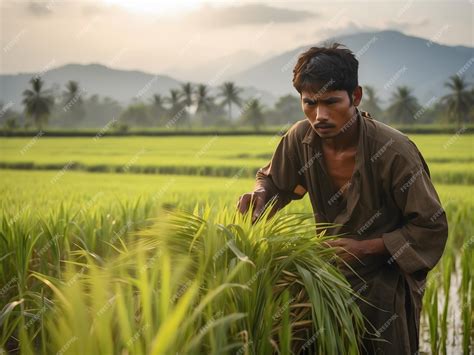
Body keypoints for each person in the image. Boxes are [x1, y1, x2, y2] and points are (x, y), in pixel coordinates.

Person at [237, 43, 448, 354]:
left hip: (384, 289)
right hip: (323, 283)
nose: (319, 115)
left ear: (356, 97)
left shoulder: (394, 152)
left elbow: (430, 228)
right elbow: (274, 183)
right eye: (309, 103)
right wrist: (260, 196)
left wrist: (365, 248)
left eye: (331, 102)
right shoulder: (300, 139)